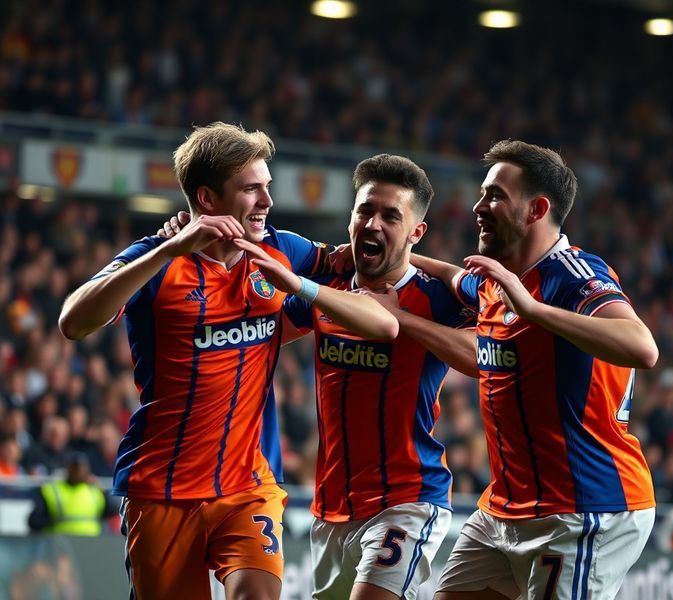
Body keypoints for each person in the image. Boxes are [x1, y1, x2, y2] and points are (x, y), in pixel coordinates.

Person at [58, 122, 398, 600]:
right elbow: (73, 322)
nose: (267, 201)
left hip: (248, 482)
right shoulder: (156, 261)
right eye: (251, 188)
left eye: (267, 187)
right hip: (163, 487)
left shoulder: (283, 249)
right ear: (208, 198)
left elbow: (356, 269)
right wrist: (167, 248)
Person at [166, 154, 477, 599]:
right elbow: (256, 331)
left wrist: (401, 319)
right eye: (365, 210)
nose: (373, 224)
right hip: (330, 510)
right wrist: (198, 244)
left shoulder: (436, 296)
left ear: (416, 232)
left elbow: (482, 358)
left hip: (407, 501)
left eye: (391, 216)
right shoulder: (328, 291)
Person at [409, 140, 659, 600]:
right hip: (504, 510)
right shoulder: (497, 276)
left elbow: (642, 347)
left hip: (584, 509)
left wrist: (532, 308)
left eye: (495, 196)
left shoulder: (575, 274)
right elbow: (451, 277)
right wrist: (390, 259)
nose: (478, 207)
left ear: (537, 209)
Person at [28, 450, 118, 535]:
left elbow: (112, 510)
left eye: (81, 467)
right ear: (68, 468)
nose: (78, 471)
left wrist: (100, 488)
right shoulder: (52, 490)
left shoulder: (95, 491)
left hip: (90, 545)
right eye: (75, 467)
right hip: (60, 546)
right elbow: (34, 521)